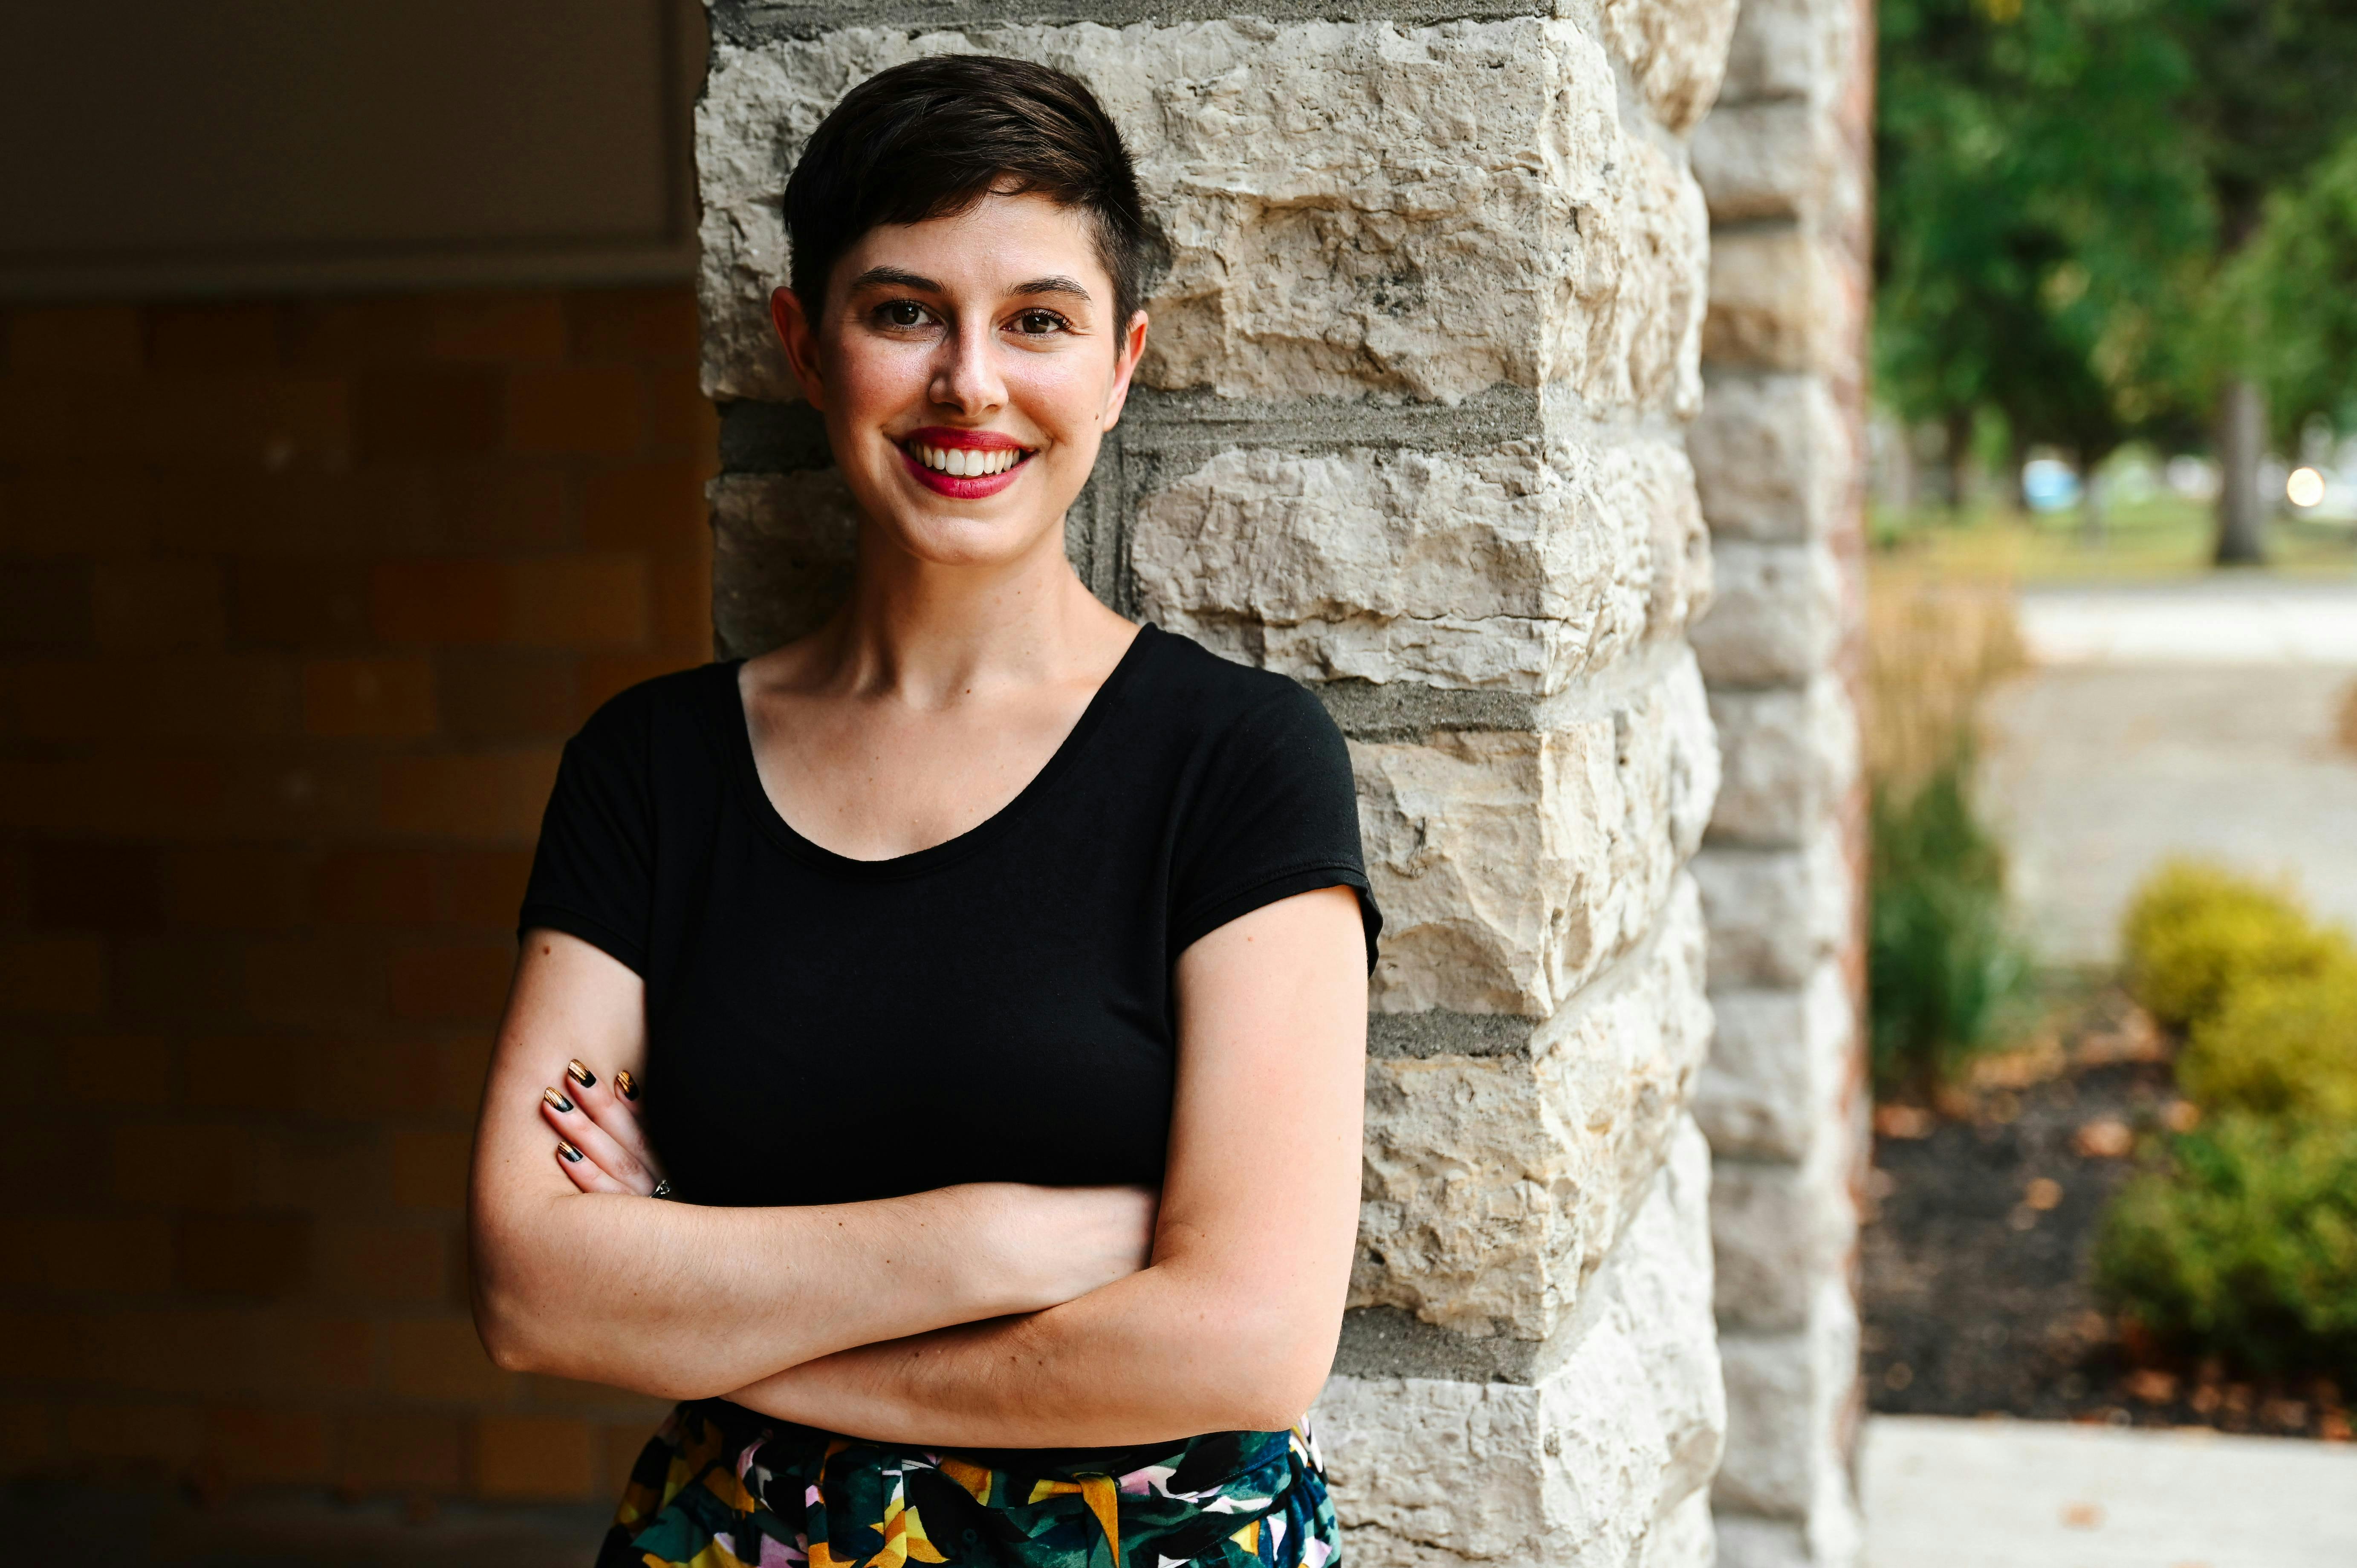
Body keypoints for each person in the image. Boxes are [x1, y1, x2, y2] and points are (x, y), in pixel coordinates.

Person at [465, 54, 1380, 1568]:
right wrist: (1004, 1238)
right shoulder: (651, 771)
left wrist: (717, 1327)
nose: (970, 382)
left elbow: (1244, 1345)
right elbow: (531, 1291)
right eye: (904, 312)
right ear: (806, 348)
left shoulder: (1236, 760)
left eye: (1037, 320)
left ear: (1122, 362)